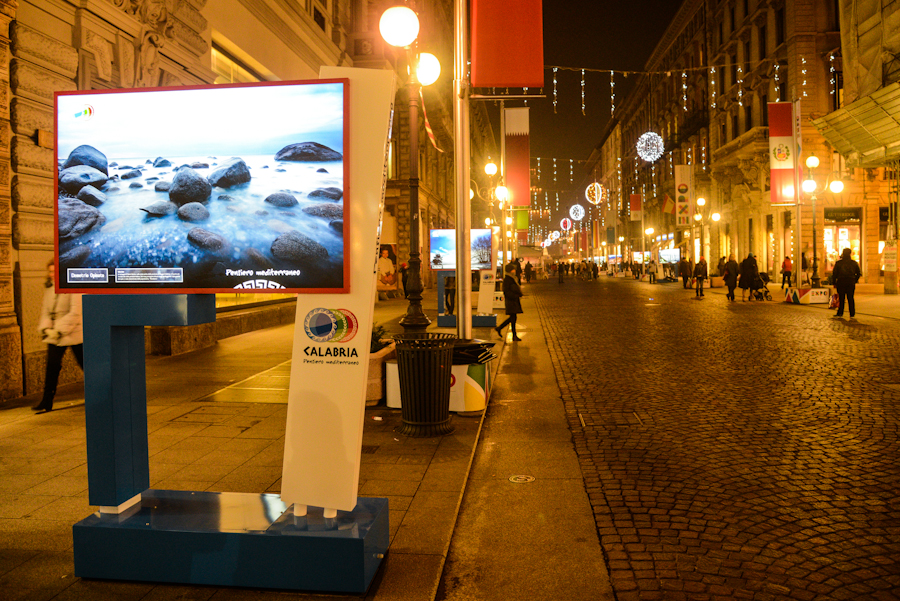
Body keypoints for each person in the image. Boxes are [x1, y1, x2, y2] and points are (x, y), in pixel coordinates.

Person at [34, 261, 83, 413]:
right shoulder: (50, 288)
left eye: (54, 271)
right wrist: (46, 328)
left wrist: (59, 330)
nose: (51, 275)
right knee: (52, 366)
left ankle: (103, 394)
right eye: (50, 271)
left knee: (86, 365)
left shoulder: (74, 287)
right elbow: (46, 311)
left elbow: (75, 313)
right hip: (55, 333)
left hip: (74, 332)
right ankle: (47, 400)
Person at [495, 263, 523, 341]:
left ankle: (500, 328)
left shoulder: (513, 278)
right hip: (511, 301)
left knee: (513, 318)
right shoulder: (508, 279)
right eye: (513, 269)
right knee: (513, 318)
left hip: (513, 301)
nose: (514, 271)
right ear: (510, 270)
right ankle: (514, 335)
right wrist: (515, 296)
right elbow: (506, 291)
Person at [832, 248, 861, 318]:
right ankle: (852, 313)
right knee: (850, 298)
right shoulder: (854, 263)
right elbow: (859, 273)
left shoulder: (839, 263)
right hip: (850, 282)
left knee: (841, 298)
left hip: (841, 281)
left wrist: (834, 282)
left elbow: (834, 274)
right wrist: (855, 280)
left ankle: (840, 312)